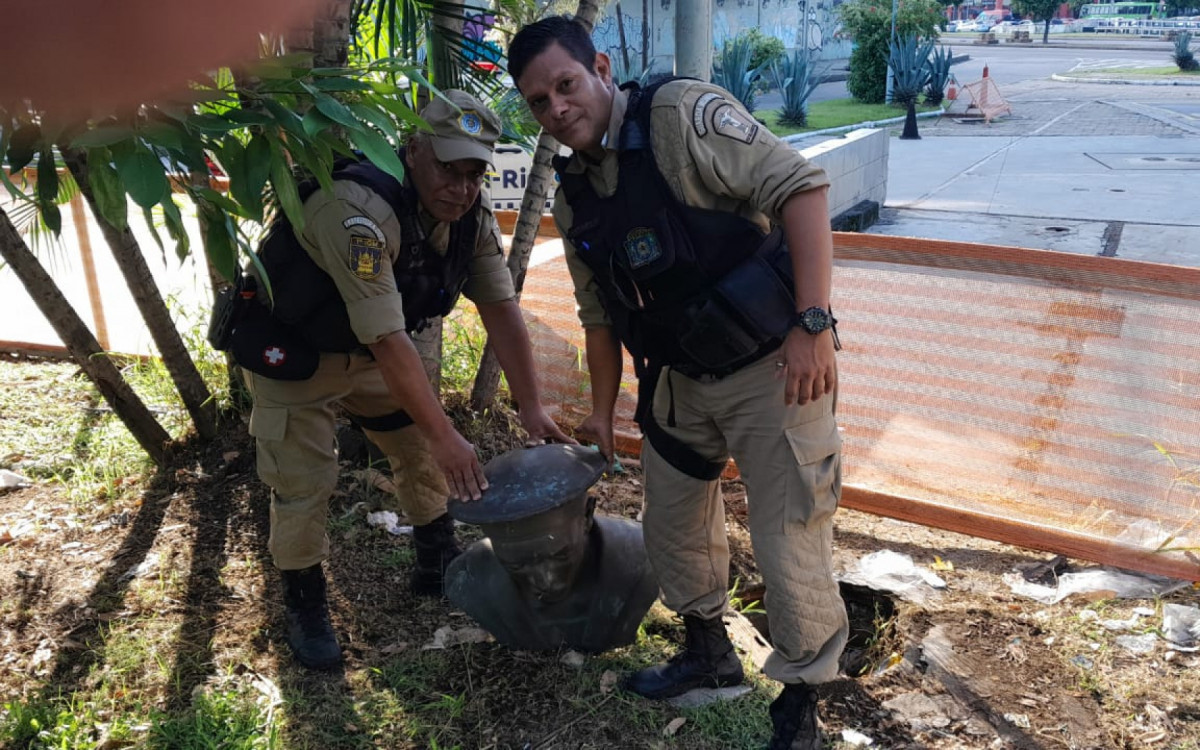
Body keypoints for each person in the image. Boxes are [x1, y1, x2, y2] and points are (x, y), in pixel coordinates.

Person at [508, 17, 848, 749]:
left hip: (772, 366)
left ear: (600, 67)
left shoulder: (680, 117)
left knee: (787, 536)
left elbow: (803, 188)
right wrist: (603, 413)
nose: (557, 108)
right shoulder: (574, 193)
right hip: (679, 378)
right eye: (538, 101)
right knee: (672, 525)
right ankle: (708, 653)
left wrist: (813, 324)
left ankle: (799, 703)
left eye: (565, 85)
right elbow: (597, 315)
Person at [226, 90, 571, 671]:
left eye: (473, 173)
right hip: (298, 355)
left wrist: (531, 406)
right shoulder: (356, 211)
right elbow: (389, 337)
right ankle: (305, 603)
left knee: (418, 453)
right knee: (304, 481)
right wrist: (447, 434)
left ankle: (436, 558)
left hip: (372, 356)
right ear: (413, 151)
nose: (460, 188)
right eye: (447, 168)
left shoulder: (470, 217)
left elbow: (501, 307)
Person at [444, 444, 659, 653]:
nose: (545, 581)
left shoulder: (643, 557)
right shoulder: (468, 578)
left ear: (587, 515)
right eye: (517, 564)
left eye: (560, 556)